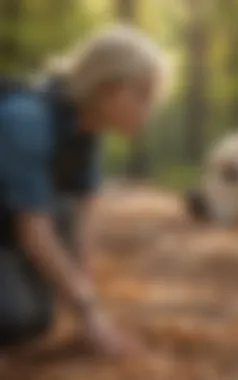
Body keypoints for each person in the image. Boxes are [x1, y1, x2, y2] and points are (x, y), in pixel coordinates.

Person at [0, 24, 166, 357]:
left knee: (39, 319)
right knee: (14, 318)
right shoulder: (26, 120)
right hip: (15, 229)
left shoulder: (86, 132)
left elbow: (81, 223)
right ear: (110, 90)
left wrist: (86, 306)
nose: (150, 109)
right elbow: (33, 230)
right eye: (143, 95)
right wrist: (87, 311)